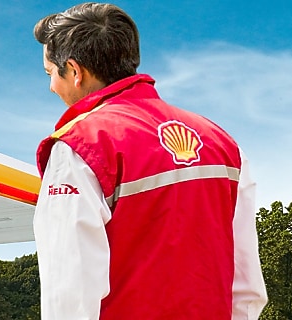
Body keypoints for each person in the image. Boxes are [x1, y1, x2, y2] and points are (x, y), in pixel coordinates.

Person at [30, 3, 267, 319]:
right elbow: (246, 285)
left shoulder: (80, 146)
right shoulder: (222, 143)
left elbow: (69, 291)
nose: (50, 86)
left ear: (74, 72)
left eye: (51, 73)